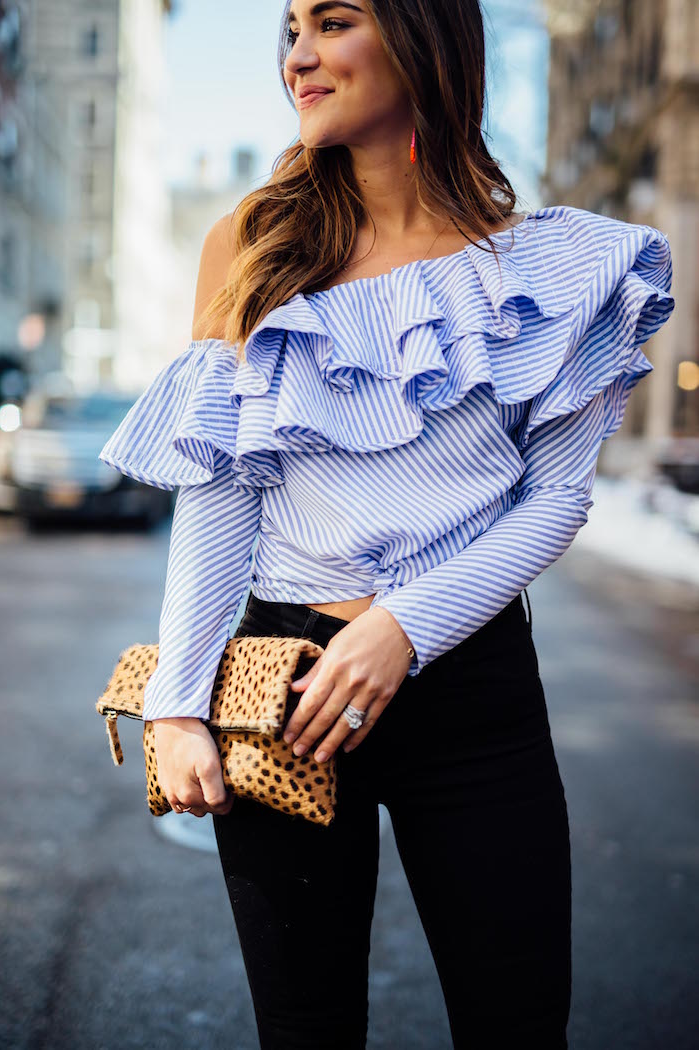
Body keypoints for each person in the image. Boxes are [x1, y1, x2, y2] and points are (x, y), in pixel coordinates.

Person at [98, 1, 675, 1046]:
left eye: (333, 22)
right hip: (280, 689)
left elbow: (556, 499)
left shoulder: (541, 267)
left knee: (516, 1024)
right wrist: (179, 706)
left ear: (422, 39)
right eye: (288, 30)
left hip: (471, 691)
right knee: (305, 1028)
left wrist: (401, 628)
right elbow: (221, 489)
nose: (298, 56)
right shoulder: (251, 244)